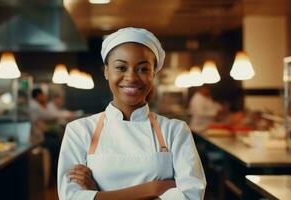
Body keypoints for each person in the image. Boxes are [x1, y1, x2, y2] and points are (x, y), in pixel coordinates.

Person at [57, 27, 206, 200]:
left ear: (154, 74)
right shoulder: (79, 131)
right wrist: (154, 188)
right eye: (121, 67)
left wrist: (98, 194)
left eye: (143, 69)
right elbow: (70, 197)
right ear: (106, 71)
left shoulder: (176, 131)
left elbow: (191, 195)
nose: (132, 77)